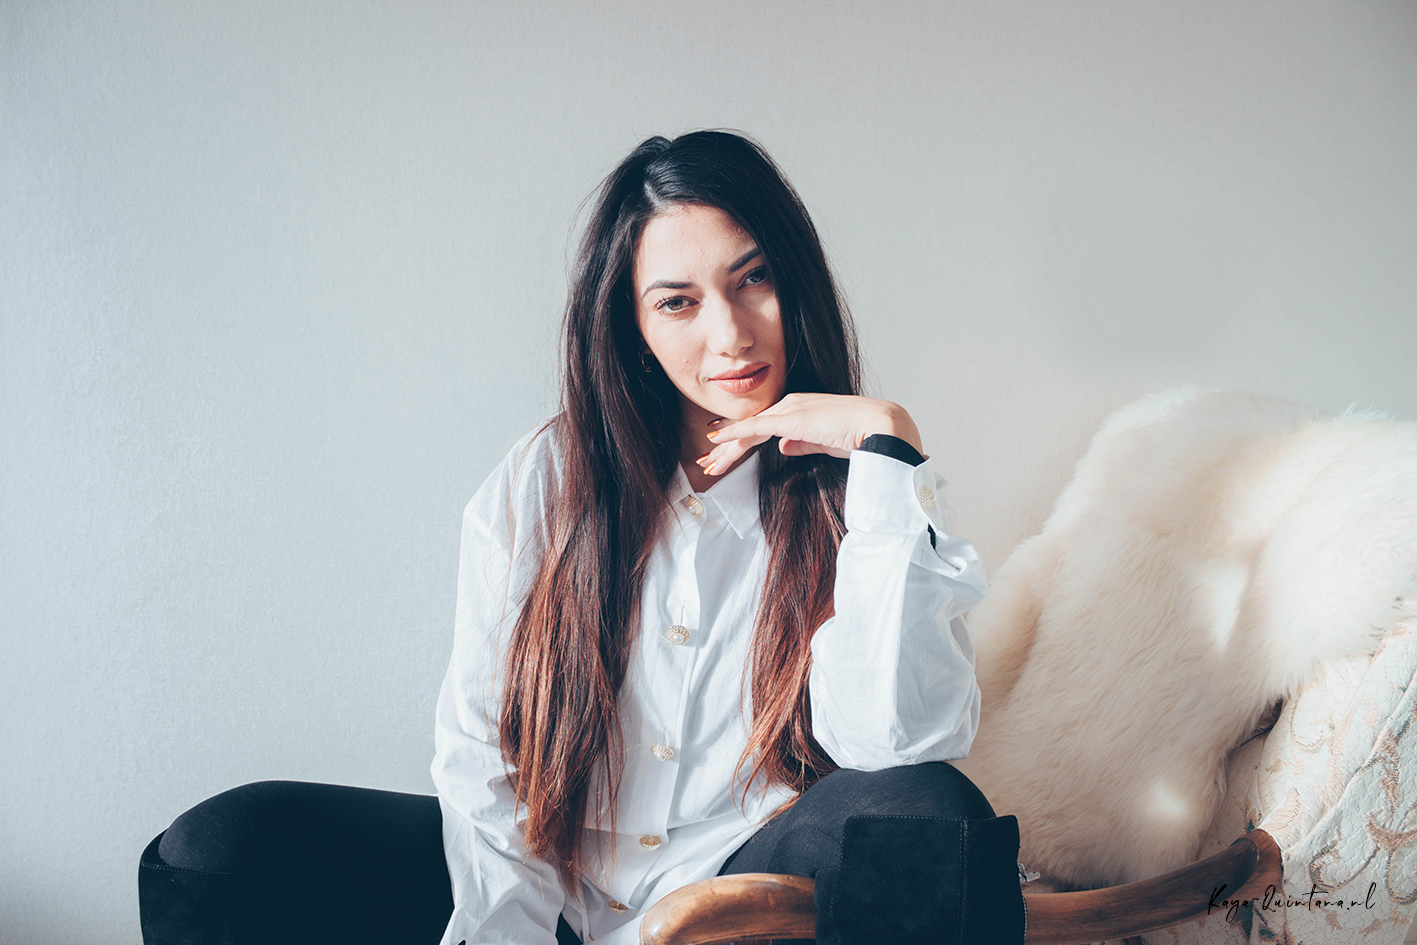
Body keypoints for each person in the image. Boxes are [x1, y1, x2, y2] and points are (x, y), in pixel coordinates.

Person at [137, 131, 1024, 945]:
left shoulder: (857, 499)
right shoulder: (544, 482)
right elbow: (482, 757)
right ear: (633, 327)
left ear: (794, 280)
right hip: (545, 891)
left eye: (752, 278)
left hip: (739, 892)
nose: (729, 334)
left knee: (926, 812)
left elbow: (899, 743)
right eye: (677, 301)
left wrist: (885, 453)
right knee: (224, 846)